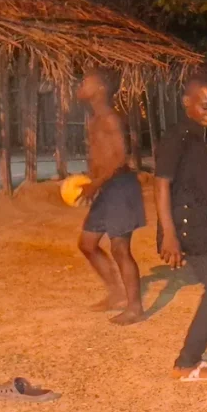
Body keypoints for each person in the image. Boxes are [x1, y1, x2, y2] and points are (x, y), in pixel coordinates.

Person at [155, 77, 207, 382]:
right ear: (186, 102)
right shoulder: (177, 137)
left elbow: (205, 186)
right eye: (205, 105)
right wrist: (170, 234)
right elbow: (161, 185)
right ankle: (187, 363)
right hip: (187, 226)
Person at [75, 71, 146, 325]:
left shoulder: (110, 118)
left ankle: (135, 308)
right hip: (105, 187)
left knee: (120, 248)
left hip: (119, 186)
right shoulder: (95, 119)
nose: (81, 84)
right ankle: (116, 294)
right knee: (87, 244)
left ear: (101, 88)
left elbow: (119, 157)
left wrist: (95, 183)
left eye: (86, 81)